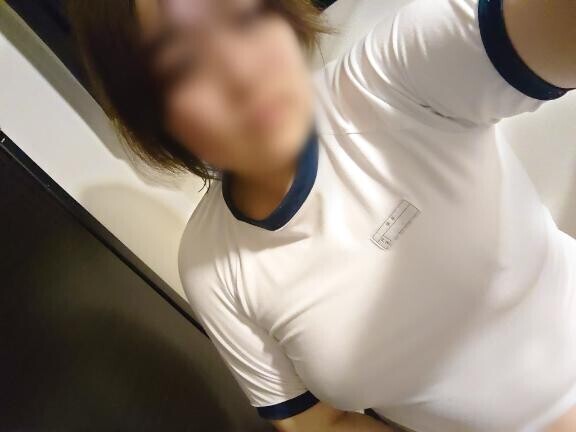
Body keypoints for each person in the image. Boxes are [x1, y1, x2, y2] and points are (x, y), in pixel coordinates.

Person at [68, 0, 576, 430]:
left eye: (242, 16)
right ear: (152, 112)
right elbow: (322, 423)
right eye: (183, 65)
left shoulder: (393, 81)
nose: (240, 71)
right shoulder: (211, 267)